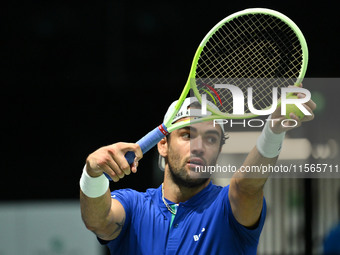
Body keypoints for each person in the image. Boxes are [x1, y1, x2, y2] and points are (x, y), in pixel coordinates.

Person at [80, 93, 316, 254]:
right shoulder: (133, 205)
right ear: (163, 145)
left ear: (220, 149)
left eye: (211, 138)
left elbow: (245, 186)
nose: (199, 146)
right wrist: (92, 174)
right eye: (187, 135)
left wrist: (273, 131)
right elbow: (97, 220)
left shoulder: (228, 207)